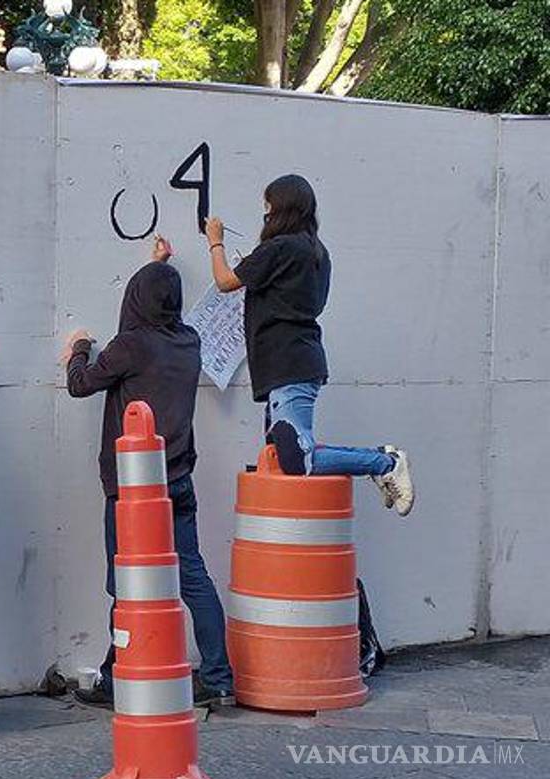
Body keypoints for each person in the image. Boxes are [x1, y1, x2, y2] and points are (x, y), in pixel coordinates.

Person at [63, 234, 235, 709]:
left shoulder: (129, 346)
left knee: (125, 585)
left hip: (132, 489)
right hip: (178, 480)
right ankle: (218, 678)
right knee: (192, 576)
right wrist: (158, 269)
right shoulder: (189, 341)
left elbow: (81, 385)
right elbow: (148, 317)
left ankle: (117, 683)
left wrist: (78, 348)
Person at [206, 175, 415, 513]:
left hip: (287, 364)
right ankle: (380, 460)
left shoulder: (279, 248)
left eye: (269, 209)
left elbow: (225, 281)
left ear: (282, 210)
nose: (266, 216)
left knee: (295, 460)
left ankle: (385, 463)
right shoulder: (317, 252)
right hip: (297, 362)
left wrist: (215, 241)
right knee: (283, 452)